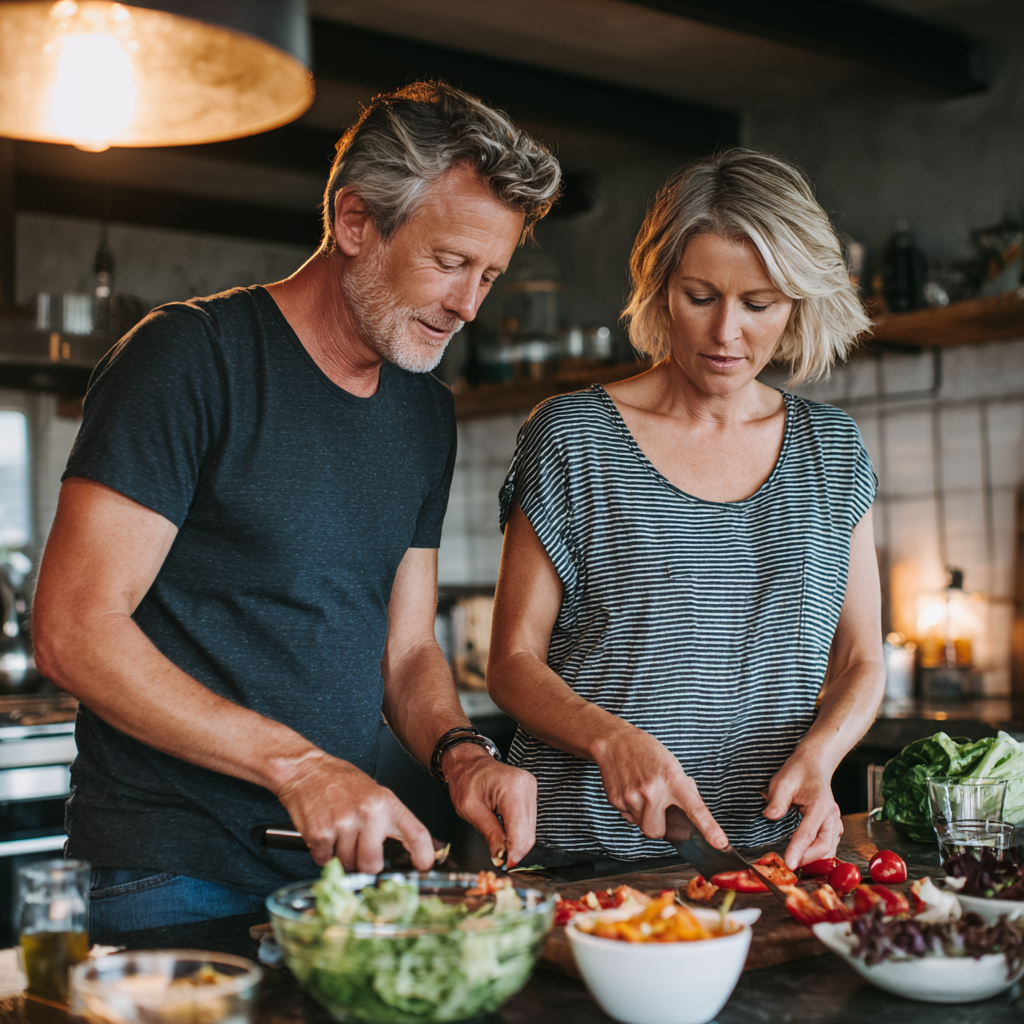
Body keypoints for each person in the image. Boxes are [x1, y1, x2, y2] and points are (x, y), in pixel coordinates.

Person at [32, 82, 560, 933]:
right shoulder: (190, 359)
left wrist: (462, 755)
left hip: (333, 877)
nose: (469, 306)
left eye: (488, 275)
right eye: (450, 262)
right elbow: (72, 627)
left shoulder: (425, 412)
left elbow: (407, 646)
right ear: (356, 223)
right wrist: (302, 766)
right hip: (168, 874)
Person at [486, 148, 886, 870]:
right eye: (701, 296)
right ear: (660, 288)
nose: (726, 332)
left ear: (798, 301)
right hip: (586, 854)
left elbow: (861, 659)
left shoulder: (833, 450)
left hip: (766, 860)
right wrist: (611, 740)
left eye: (758, 304)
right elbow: (512, 662)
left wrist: (822, 757)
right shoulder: (574, 438)